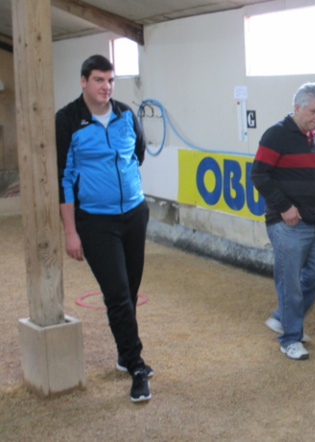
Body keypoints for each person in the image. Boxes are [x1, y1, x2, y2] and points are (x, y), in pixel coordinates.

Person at [55, 55, 153, 402]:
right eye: (99, 80)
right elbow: (63, 180)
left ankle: (125, 355)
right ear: (83, 81)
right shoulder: (68, 120)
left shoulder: (126, 114)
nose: (106, 87)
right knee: (116, 292)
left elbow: (136, 156)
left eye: (110, 81)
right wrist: (70, 232)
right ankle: (137, 364)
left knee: (129, 293)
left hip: (134, 214)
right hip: (95, 221)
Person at [250, 83, 315, 360]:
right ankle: (290, 338)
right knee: (290, 282)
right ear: (296, 108)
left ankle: (284, 317)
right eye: (313, 111)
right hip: (287, 223)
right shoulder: (276, 135)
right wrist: (285, 207)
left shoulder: (314, 137)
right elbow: (259, 175)